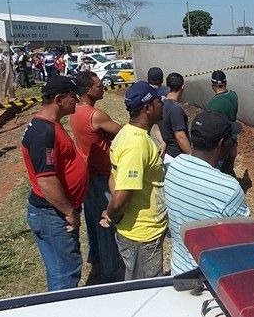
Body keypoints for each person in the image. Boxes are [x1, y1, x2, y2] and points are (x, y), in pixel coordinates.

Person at [21, 75, 87, 291]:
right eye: (73, 96)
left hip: (51, 213)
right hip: (53, 214)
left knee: (60, 267)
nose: (77, 100)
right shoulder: (44, 132)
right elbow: (47, 181)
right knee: (65, 273)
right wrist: (69, 212)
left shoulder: (51, 125)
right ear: (59, 99)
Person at [164, 110, 249, 275]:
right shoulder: (228, 188)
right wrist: (230, 159)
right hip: (210, 279)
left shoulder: (174, 166)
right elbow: (244, 241)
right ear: (221, 143)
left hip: (179, 270)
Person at [101, 81, 169, 280]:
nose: (162, 104)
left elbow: (114, 175)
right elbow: (122, 194)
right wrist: (112, 214)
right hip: (142, 235)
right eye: (159, 101)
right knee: (145, 291)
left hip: (141, 232)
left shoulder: (128, 133)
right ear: (148, 108)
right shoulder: (136, 145)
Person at [69, 71, 123, 284]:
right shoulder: (95, 115)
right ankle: (112, 273)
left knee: (93, 221)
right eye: (98, 85)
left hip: (87, 175)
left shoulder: (74, 112)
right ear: (87, 90)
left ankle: (97, 262)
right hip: (102, 176)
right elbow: (121, 132)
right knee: (107, 223)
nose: (102, 88)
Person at [206, 70, 239, 175]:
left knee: (217, 168)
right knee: (229, 165)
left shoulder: (213, 104)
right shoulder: (233, 95)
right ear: (226, 83)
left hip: (221, 141)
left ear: (212, 86)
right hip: (232, 136)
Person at [160, 73, 191, 168]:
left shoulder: (161, 104)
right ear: (182, 87)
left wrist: (163, 141)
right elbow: (180, 137)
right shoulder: (176, 109)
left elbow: (157, 127)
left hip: (168, 154)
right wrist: (191, 155)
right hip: (177, 157)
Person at [147, 66, 167, 155]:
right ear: (162, 80)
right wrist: (163, 142)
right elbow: (157, 126)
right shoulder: (162, 96)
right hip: (158, 138)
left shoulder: (142, 93)